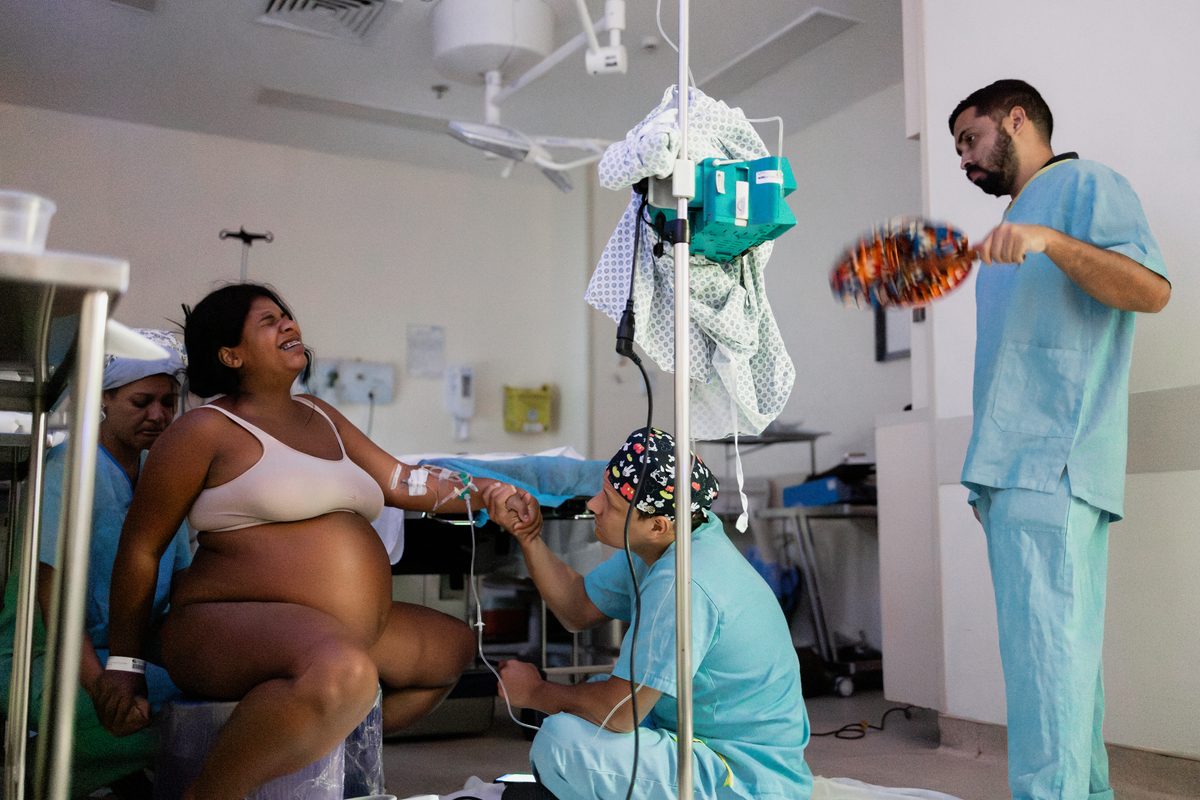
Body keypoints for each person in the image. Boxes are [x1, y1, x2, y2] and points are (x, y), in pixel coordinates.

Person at [93, 284, 534, 800]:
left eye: (286, 315)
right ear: (231, 355)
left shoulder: (322, 415)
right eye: (267, 321)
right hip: (223, 620)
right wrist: (124, 665)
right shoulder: (203, 430)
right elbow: (141, 548)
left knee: (451, 650)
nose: (288, 323)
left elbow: (403, 480)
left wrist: (489, 492)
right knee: (345, 672)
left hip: (333, 629)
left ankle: (312, 738)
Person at [950, 80, 1170, 800]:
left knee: (1049, 667)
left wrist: (1049, 239)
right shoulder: (1013, 223)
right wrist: (986, 479)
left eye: (971, 138)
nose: (963, 159)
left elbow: (1151, 290)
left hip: (1054, 463)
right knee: (1059, 669)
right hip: (1014, 471)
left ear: (1017, 119)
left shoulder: (1084, 186)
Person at [482, 428, 812, 800]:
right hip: (691, 731)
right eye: (601, 491)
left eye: (610, 503)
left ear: (657, 525)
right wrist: (528, 535)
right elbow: (578, 607)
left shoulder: (683, 581)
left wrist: (536, 692)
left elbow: (621, 711)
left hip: (744, 776)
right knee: (586, 701)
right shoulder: (674, 540)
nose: (593, 505)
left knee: (562, 742)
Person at [0, 330, 191, 798]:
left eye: (167, 403)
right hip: (44, 658)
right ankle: (39, 775)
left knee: (210, 699)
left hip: (128, 657)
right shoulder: (69, 469)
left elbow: (184, 584)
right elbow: (55, 600)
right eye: (141, 401)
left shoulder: (163, 474)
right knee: (158, 717)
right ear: (105, 397)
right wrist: (102, 685)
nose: (157, 415)